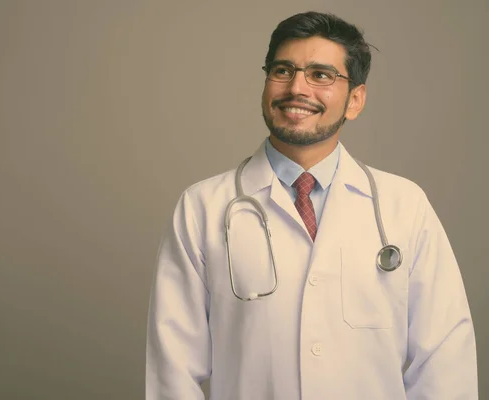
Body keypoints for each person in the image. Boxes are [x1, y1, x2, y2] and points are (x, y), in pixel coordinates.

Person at [145, 11, 478, 400]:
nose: (296, 88)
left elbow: (445, 360)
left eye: (321, 75)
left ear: (355, 100)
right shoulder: (203, 207)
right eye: (283, 71)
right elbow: (173, 369)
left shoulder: (404, 206)